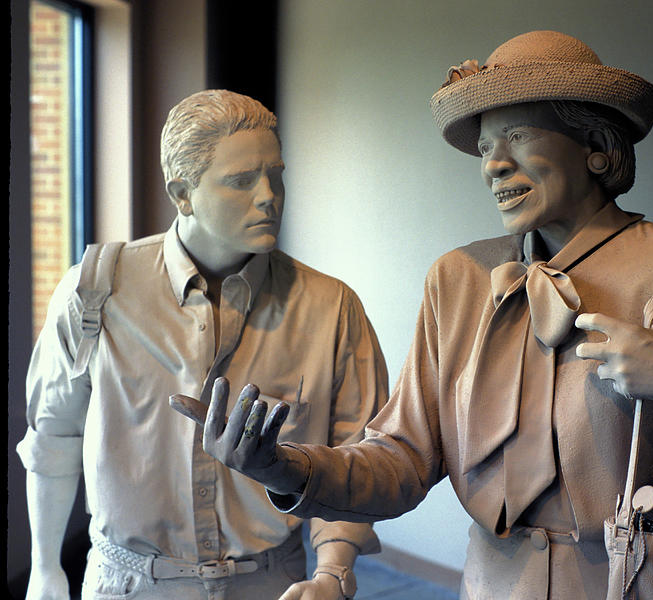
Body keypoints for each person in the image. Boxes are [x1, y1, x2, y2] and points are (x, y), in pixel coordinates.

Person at [178, 33, 653, 599]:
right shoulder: (456, 280)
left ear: (597, 147)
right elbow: (402, 459)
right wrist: (284, 469)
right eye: (486, 146)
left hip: (641, 584)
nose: (493, 164)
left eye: (517, 136)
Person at [19, 89, 388, 600]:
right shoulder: (97, 288)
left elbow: (356, 458)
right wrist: (44, 567)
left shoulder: (331, 307)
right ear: (182, 194)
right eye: (241, 181)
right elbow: (54, 435)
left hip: (274, 582)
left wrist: (333, 573)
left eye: (276, 175)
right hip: (127, 584)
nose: (268, 196)